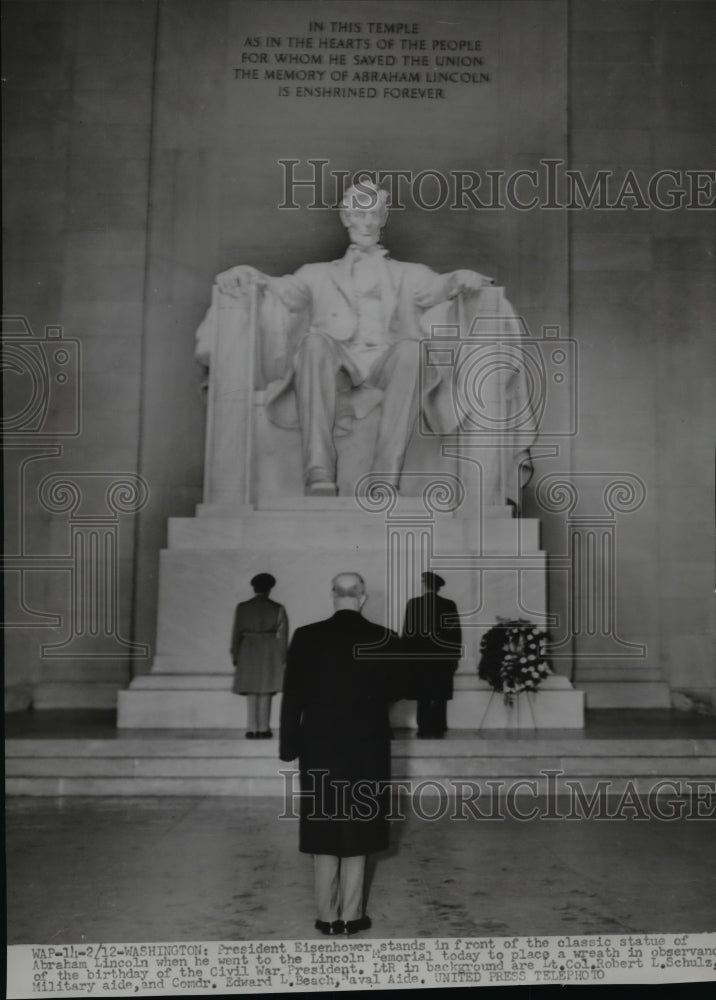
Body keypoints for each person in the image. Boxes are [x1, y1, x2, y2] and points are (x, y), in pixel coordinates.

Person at [214, 181, 495, 495]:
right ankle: (318, 470)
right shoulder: (316, 273)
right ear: (346, 217)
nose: (367, 222)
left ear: (383, 218)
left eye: (374, 214)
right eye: (360, 214)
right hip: (339, 363)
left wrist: (460, 277)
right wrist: (251, 274)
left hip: (386, 362)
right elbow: (284, 290)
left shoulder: (408, 273)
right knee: (314, 343)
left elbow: (439, 286)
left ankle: (385, 477)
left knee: (413, 351)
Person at [279, 572, 407, 936]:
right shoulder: (384, 637)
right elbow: (399, 688)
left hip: (319, 745)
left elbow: (292, 698)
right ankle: (352, 916)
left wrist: (289, 746)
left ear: (333, 595)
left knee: (324, 823)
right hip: (366, 745)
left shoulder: (306, 636)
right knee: (359, 826)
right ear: (363, 597)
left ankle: (326, 915)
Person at [402, 571, 463, 739]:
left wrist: (405, 656)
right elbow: (455, 633)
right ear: (437, 587)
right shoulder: (449, 604)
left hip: (420, 658)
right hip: (441, 658)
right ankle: (439, 726)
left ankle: (424, 727)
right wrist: (455, 656)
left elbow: (408, 633)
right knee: (440, 693)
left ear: (424, 585)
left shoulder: (414, 604)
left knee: (423, 694)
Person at [230, 573, 288, 738]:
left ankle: (251, 728)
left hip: (248, 649)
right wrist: (283, 657)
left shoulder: (242, 607)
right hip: (270, 649)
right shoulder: (277, 608)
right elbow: (283, 636)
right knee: (265, 690)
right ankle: (263, 728)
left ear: (254, 587)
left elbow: (236, 633)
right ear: (269, 589)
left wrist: (235, 654)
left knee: (251, 691)